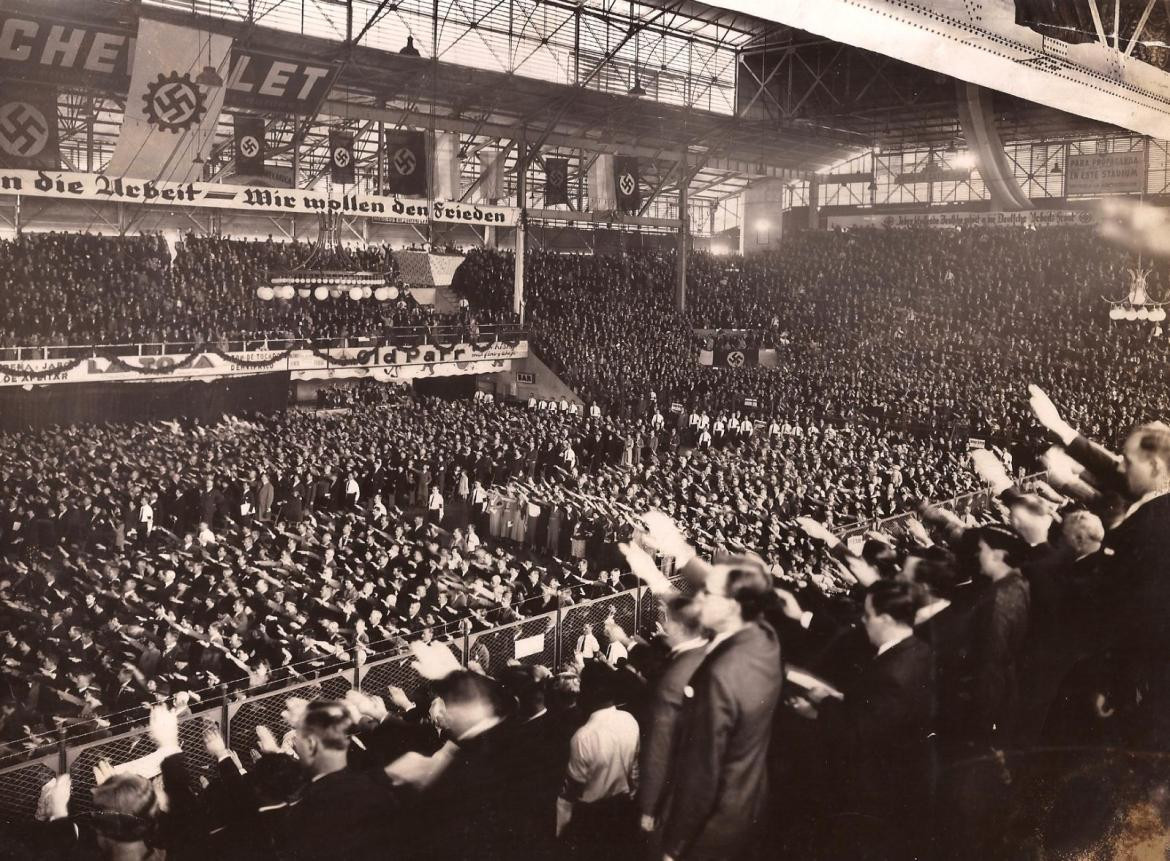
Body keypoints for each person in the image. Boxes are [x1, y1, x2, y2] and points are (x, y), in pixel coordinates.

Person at [638, 595, 708, 843]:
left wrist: (649, 806)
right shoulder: (705, 651)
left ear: (678, 627)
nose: (664, 626)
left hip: (675, 788)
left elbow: (658, 749)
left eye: (668, 620)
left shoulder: (672, 679)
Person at [558, 661, 640, 860]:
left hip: (591, 817)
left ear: (587, 692)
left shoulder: (583, 736)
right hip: (624, 809)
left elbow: (571, 791)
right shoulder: (629, 719)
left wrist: (560, 831)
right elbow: (635, 773)